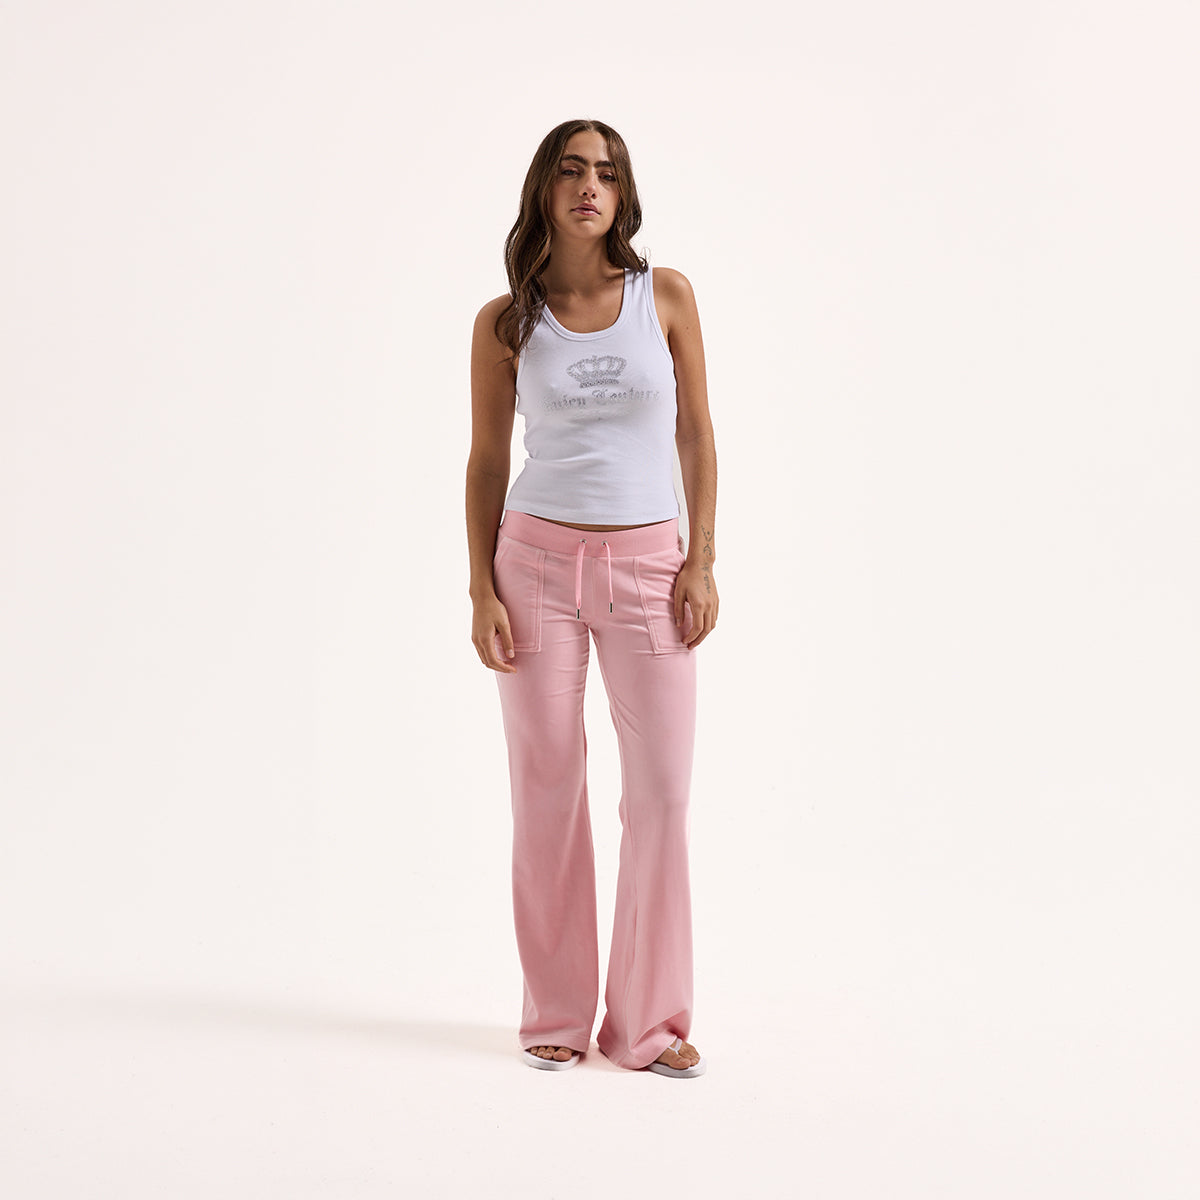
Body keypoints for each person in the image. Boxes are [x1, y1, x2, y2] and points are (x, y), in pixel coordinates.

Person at [465, 119, 718, 1077]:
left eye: (606, 173)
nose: (589, 187)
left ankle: (647, 1024)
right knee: (546, 786)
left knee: (661, 794)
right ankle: (558, 1015)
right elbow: (487, 460)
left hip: (651, 569)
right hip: (531, 567)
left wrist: (701, 561)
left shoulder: (668, 297)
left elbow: (697, 436)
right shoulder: (504, 321)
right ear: (545, 188)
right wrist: (480, 586)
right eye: (571, 170)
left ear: (623, 193)